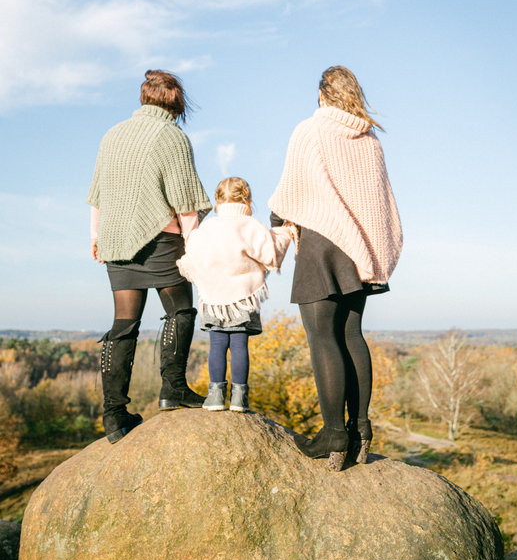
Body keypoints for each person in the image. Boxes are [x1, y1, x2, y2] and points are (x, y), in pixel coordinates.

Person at [269, 65, 402, 470]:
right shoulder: (371, 140)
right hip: (359, 249)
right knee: (351, 335)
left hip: (323, 243)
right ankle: (360, 430)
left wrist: (277, 221)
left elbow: (290, 191)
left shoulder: (309, 130)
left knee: (322, 338)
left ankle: (333, 435)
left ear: (323, 94)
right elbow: (379, 202)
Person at [87, 69, 212, 443]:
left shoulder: (112, 134)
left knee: (123, 324)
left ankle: (114, 415)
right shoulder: (172, 136)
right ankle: (173, 390)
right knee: (181, 310)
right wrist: (193, 246)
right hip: (160, 241)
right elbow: (185, 202)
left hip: (115, 241)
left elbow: (97, 194)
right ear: (176, 102)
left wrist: (96, 236)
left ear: (144, 98)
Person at [178, 176, 292, 412]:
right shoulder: (251, 226)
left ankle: (215, 397)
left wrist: (205, 277)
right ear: (247, 199)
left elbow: (191, 255)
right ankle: (240, 399)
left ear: (218, 201)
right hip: (243, 297)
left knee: (217, 344)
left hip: (213, 299)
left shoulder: (207, 228)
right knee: (240, 345)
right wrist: (284, 231)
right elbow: (270, 253)